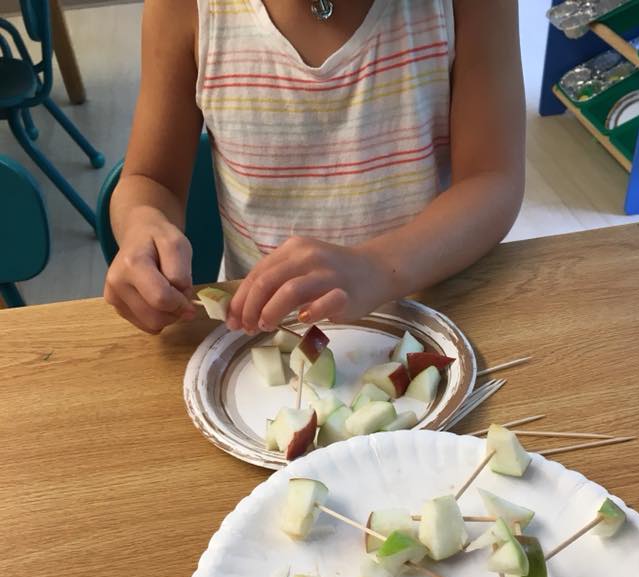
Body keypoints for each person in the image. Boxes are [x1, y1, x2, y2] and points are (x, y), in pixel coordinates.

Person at [105, 0, 525, 336]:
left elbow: (492, 178)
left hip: (431, 312)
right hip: (266, 336)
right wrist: (143, 226)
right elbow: (150, 179)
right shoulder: (186, 9)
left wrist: (379, 266)